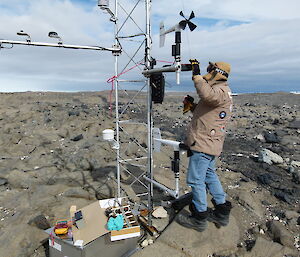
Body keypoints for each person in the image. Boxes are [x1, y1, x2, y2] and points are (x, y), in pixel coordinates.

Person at [176, 59, 233, 232]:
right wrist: (192, 107)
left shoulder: (220, 91)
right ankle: (221, 213)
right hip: (209, 143)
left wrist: (197, 74)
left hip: (203, 144)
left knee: (196, 180)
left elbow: (207, 95)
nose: (208, 71)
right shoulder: (221, 92)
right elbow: (210, 111)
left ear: (218, 72)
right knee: (209, 175)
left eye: (210, 69)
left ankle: (199, 217)